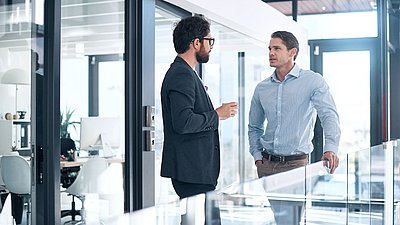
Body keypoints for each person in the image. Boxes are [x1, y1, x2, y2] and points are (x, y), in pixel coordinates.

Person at [248, 31, 341, 224]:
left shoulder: (312, 81)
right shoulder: (262, 88)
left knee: (291, 220)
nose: (271, 53)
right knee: (278, 217)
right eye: (269, 49)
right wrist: (258, 157)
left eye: (277, 48)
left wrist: (330, 148)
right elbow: (254, 126)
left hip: (296, 165)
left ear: (293, 52)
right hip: (266, 165)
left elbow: (328, 115)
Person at [160, 15, 238, 200]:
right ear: (196, 43)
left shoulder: (186, 73)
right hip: (192, 171)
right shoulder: (182, 74)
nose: (211, 46)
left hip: (194, 171)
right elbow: (184, 122)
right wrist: (217, 114)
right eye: (209, 40)